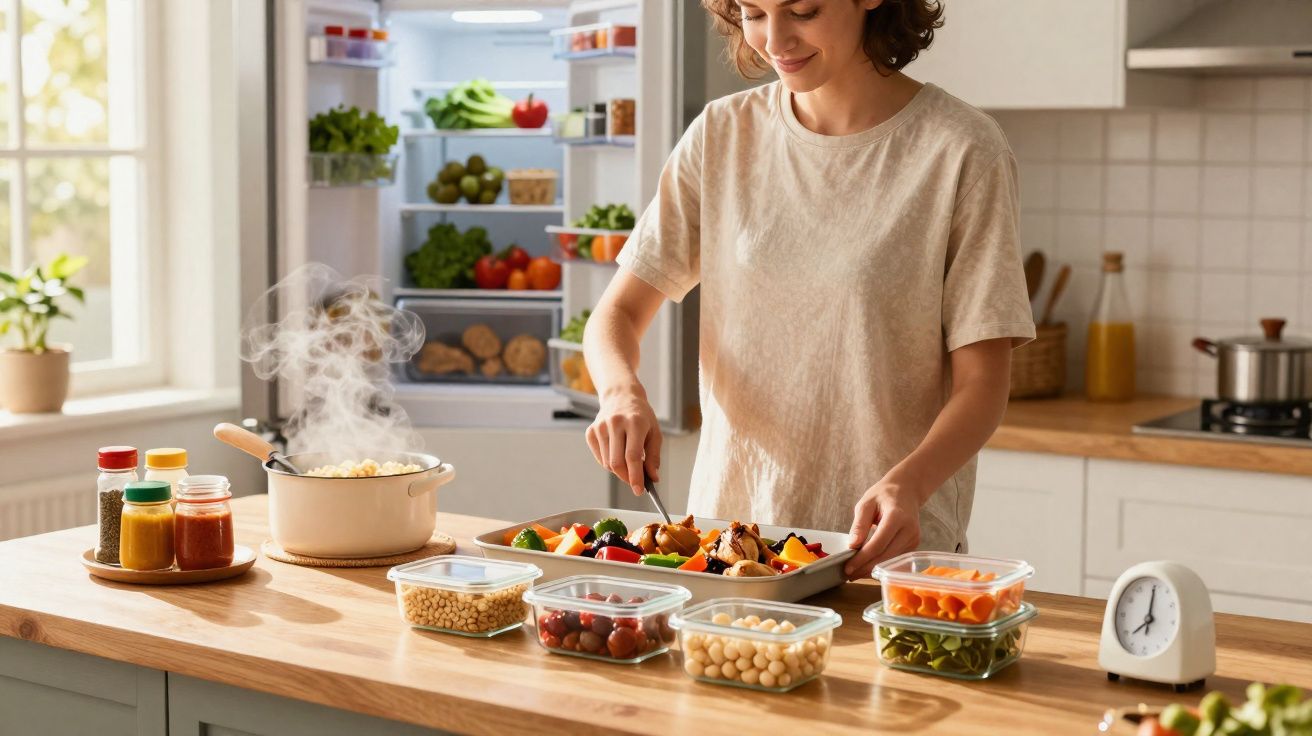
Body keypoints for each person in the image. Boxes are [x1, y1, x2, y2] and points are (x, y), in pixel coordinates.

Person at [581, 0, 1035, 580]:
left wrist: (910, 483)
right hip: (728, 552)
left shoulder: (962, 149)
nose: (775, 40)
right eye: (753, 13)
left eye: (802, 10)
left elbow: (983, 386)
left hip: (880, 555)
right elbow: (616, 314)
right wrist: (620, 392)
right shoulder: (722, 134)